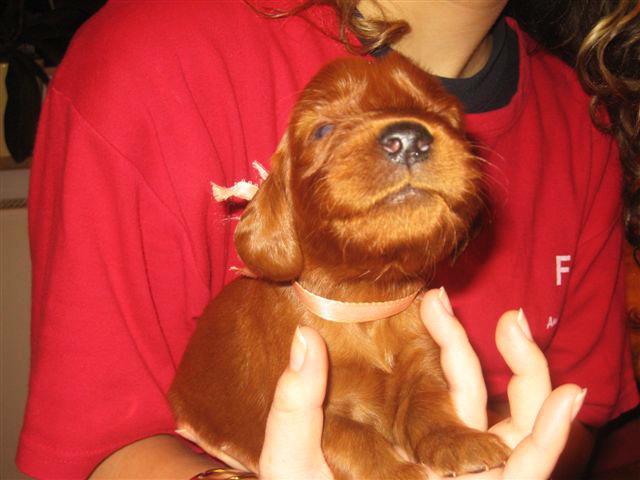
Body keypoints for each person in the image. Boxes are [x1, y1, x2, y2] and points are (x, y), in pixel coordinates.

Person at [17, 0, 639, 478]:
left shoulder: (586, 119)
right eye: (323, 132)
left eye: (440, 123)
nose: (408, 140)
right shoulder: (155, 51)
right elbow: (102, 445)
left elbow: (575, 418)